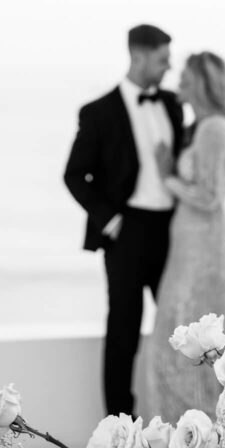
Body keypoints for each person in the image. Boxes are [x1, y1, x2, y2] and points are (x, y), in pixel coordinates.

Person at [63, 24, 184, 416]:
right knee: (123, 333)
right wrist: (110, 219)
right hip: (126, 232)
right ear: (138, 57)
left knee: (184, 331)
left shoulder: (172, 103)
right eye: (162, 59)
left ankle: (185, 422)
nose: (168, 67)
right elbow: (74, 174)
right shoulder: (98, 112)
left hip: (173, 231)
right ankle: (119, 426)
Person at [144, 51, 225, 422]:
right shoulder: (200, 127)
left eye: (185, 77)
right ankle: (175, 442)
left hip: (206, 255)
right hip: (187, 251)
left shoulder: (216, 128)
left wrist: (167, 174)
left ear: (201, 83)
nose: (178, 83)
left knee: (195, 352)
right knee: (172, 346)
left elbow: (210, 196)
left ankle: (199, 442)